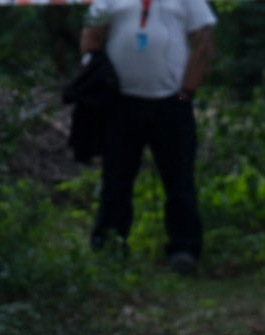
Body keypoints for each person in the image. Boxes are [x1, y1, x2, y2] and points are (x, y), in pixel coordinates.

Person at [81, 0, 216, 274]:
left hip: (172, 103)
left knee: (179, 180)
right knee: (115, 181)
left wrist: (186, 93)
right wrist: (97, 77)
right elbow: (92, 35)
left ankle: (184, 249)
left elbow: (203, 42)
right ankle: (109, 247)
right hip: (121, 103)